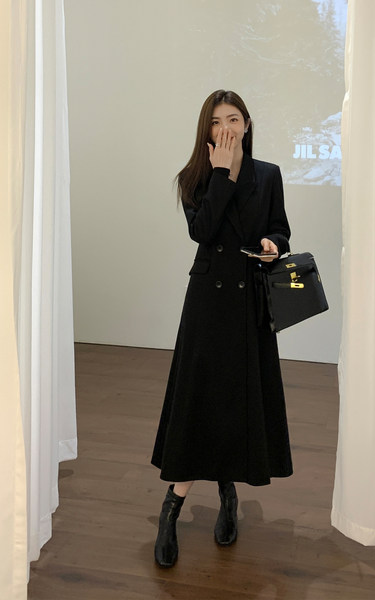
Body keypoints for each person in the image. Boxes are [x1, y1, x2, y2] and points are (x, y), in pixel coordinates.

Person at [151, 89, 293, 567]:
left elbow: (280, 227)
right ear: (206, 130)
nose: (226, 128)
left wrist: (273, 244)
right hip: (208, 304)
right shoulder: (194, 177)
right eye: (216, 121)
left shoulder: (268, 174)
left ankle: (229, 494)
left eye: (233, 119)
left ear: (247, 125)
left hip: (249, 303)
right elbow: (203, 231)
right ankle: (172, 506)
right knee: (199, 398)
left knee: (238, 398)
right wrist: (221, 173)